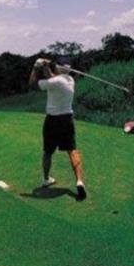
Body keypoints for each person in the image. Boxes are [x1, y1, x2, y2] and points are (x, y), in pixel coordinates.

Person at [28, 57, 87, 201]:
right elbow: (53, 78)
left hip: (52, 120)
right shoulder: (69, 80)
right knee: (72, 150)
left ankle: (46, 179)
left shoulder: (55, 82)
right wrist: (46, 66)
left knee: (48, 152)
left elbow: (32, 85)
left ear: (59, 68)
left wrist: (36, 67)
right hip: (67, 119)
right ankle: (79, 181)